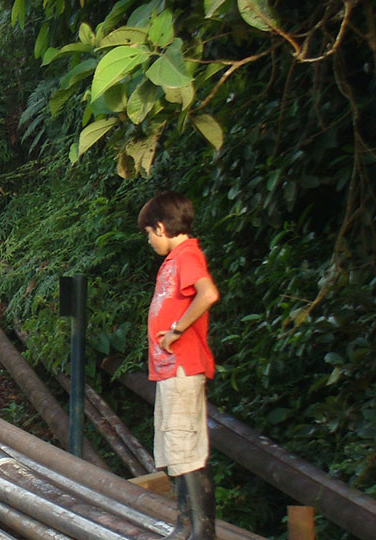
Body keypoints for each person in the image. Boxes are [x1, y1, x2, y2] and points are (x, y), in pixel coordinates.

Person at [138, 191, 220, 540]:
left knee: (187, 450)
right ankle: (185, 525)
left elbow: (208, 293)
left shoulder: (187, 255)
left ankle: (202, 531)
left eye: (149, 233)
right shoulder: (174, 260)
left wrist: (177, 329)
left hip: (183, 367)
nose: (149, 240)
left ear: (161, 226)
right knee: (178, 449)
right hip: (171, 371)